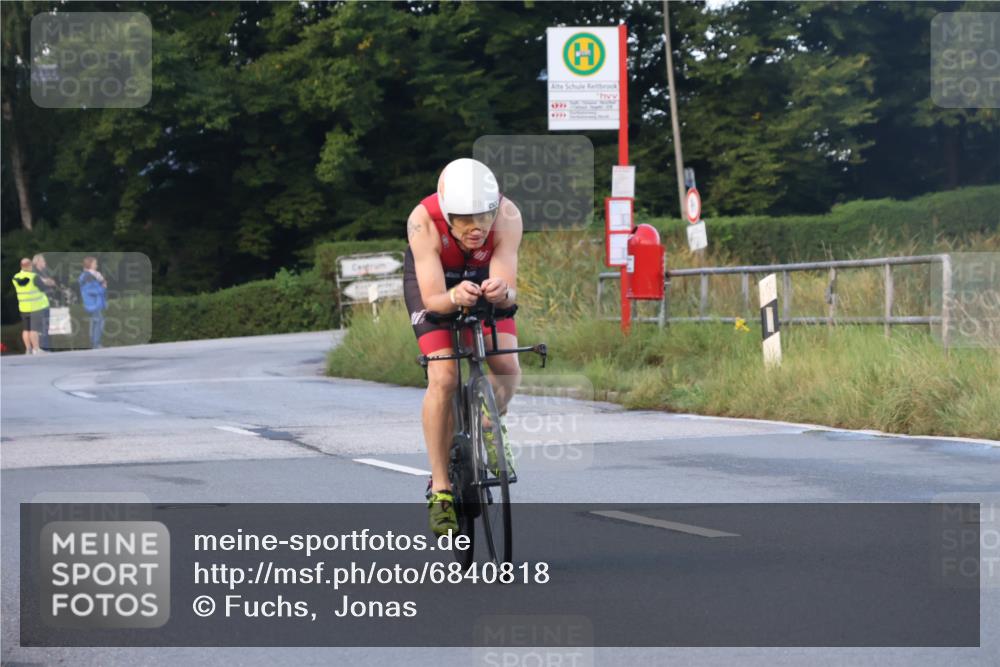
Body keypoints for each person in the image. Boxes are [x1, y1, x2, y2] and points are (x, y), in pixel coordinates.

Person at [404, 158, 523, 536]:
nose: (477, 228)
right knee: (444, 376)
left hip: (482, 281)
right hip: (437, 286)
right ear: (446, 212)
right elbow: (435, 300)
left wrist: (501, 291)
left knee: (507, 365)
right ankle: (440, 488)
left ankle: (490, 423)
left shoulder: (507, 216)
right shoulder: (422, 221)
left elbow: (507, 290)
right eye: (465, 219)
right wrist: (454, 295)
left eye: (484, 217)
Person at [11, 257, 50, 355]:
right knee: (34, 329)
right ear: (29, 266)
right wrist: (45, 282)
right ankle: (36, 349)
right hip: (35, 306)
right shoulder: (34, 277)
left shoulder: (15, 277)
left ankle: (28, 349)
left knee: (26, 329)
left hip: (23, 307)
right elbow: (43, 288)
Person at [78, 256, 108, 349]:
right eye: (95, 263)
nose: (96, 265)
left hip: (93, 303)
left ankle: (94, 343)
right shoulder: (88, 276)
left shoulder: (90, 275)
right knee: (99, 321)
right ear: (90, 264)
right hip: (93, 304)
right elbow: (91, 290)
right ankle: (96, 343)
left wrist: (101, 283)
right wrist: (103, 287)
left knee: (95, 322)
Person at [32, 254, 59, 351]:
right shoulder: (34, 272)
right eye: (43, 261)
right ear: (37, 262)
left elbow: (52, 282)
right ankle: (44, 348)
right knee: (42, 327)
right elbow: (45, 282)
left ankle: (47, 347)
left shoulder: (44, 271)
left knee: (47, 327)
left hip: (47, 301)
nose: (45, 263)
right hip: (39, 303)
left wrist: (48, 281)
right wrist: (48, 281)